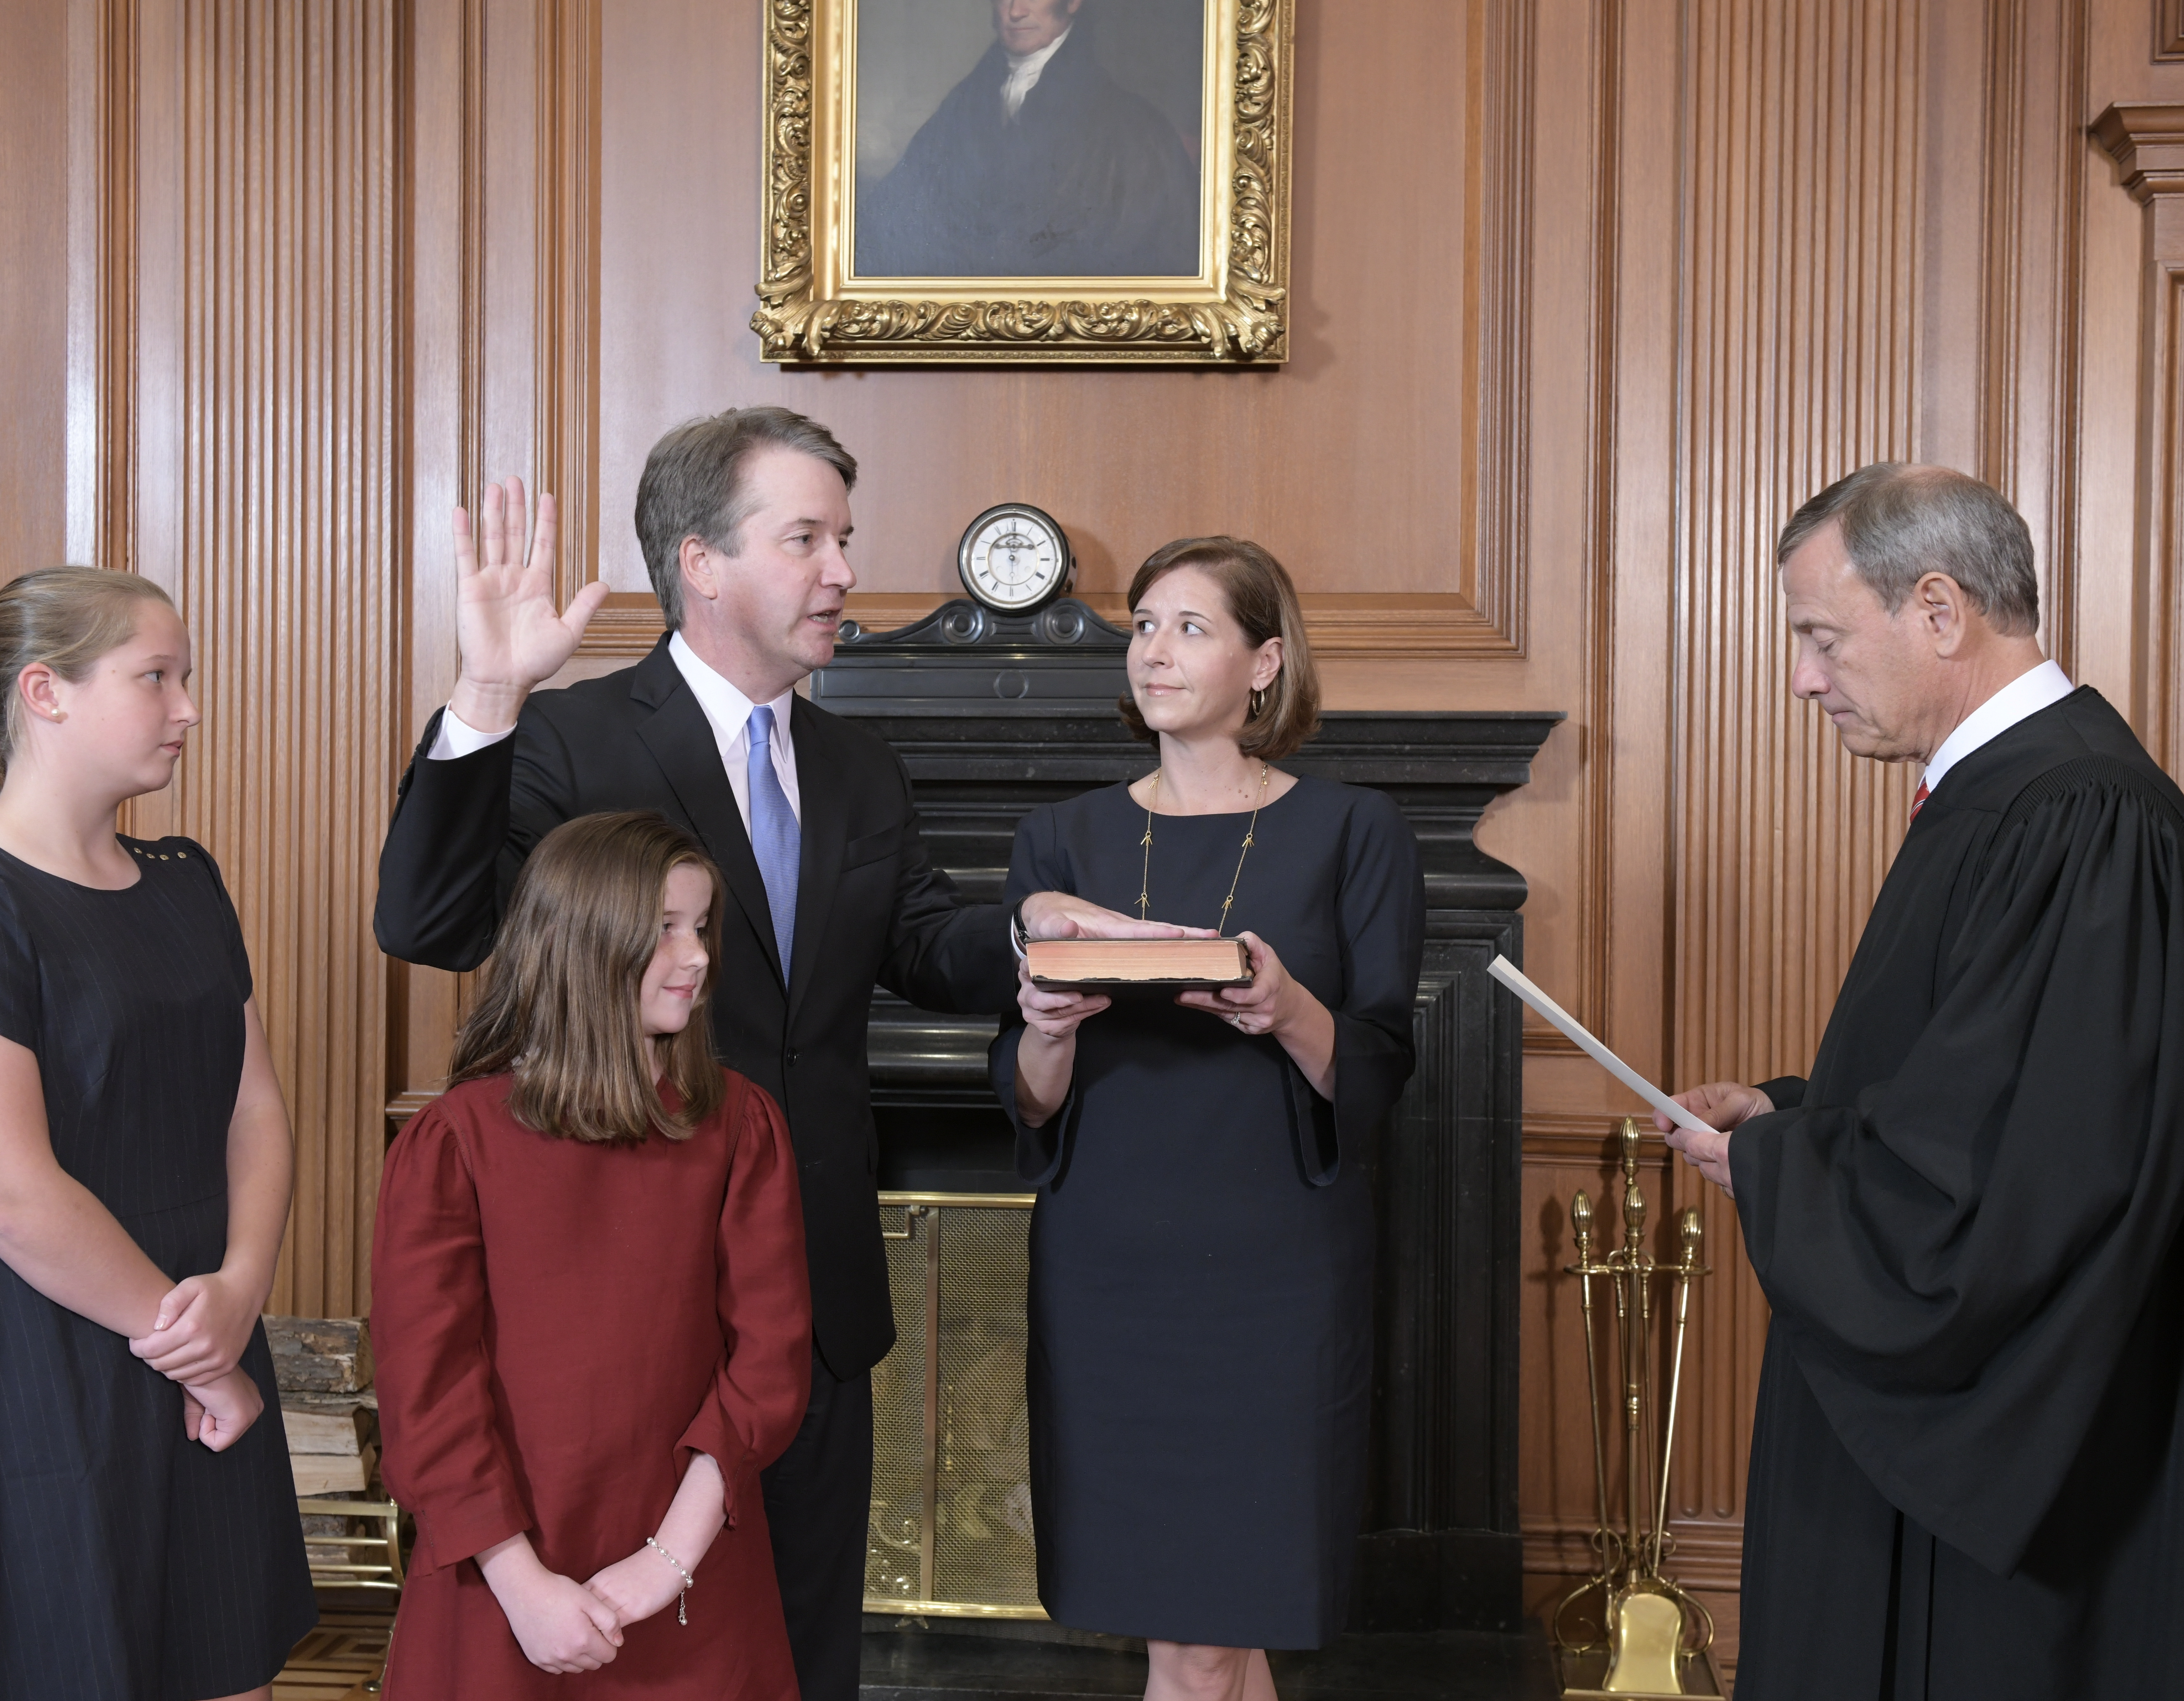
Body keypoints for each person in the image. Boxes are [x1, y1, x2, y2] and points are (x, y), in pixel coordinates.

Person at [371, 404, 1169, 1699]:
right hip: (626, 1332)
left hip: (810, 1315)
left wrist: (1033, 935)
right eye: (807, 537)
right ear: (702, 561)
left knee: (801, 1664)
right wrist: (489, 692)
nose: (845, 570)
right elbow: (428, 921)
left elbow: (922, 943)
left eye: (843, 537)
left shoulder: (857, 764)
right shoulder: (573, 737)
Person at [1656, 464, 2184, 1698]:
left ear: (1939, 610)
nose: (1803, 678)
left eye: (1821, 636)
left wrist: (1782, 1169)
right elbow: (1971, 1092)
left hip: (2057, 1490)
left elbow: (2025, 1187)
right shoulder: (2012, 800)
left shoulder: (2083, 818)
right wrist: (1797, 1118)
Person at [995, 538, 1425, 1701]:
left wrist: (1287, 1008)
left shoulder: (1353, 830)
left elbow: (1381, 1063)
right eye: (1142, 624)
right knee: (1198, 1632)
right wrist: (1043, 1023)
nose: (1153, 649)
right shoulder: (1060, 843)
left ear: (1266, 661)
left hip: (1272, 1273)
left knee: (1210, 1627)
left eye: (1190, 626)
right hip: (1107, 1270)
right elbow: (1029, 1101)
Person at [371, 811, 811, 1697]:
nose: (697, 957)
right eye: (665, 931)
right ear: (582, 942)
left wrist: (665, 1563)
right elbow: (429, 1393)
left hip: (695, 1575)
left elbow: (767, 1365)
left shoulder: (741, 1124)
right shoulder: (453, 1143)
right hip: (497, 1577)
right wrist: (523, 1585)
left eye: (701, 927)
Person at [0, 568, 315, 1701]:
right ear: (46, 692)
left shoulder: (189, 882)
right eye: (156, 677)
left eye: (186, 678)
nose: (188, 707)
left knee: (232, 1669)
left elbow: (257, 1108)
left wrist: (238, 1289)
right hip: (54, 1358)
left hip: (206, 1327)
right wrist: (197, 1345)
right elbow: (15, 1191)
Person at [858, 0, 1201, 278]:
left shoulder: (1134, 129)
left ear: (1073, 3)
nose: (1015, 11)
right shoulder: (962, 105)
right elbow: (894, 218)